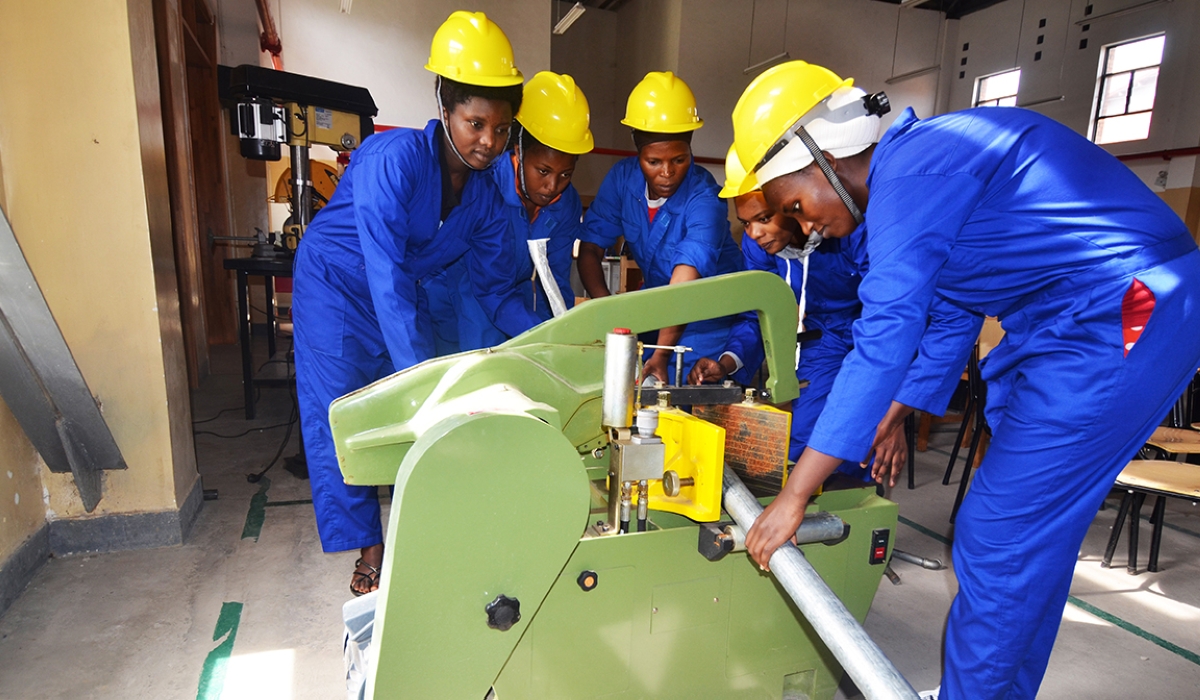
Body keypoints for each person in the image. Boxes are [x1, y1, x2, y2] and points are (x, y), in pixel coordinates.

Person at [733, 60, 1200, 700]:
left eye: (793, 204)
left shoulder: (910, 172)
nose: (801, 225)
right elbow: (951, 311)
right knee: (1027, 540)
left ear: (825, 154)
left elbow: (887, 333)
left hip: (1125, 307)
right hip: (1080, 318)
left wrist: (797, 494)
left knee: (997, 537)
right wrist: (894, 413)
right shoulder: (919, 171)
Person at [291, 11, 538, 597]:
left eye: (501, 131)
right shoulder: (392, 159)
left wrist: (549, 340)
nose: (489, 142)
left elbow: (497, 288)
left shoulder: (482, 196)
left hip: (396, 294)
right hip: (337, 286)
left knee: (415, 412)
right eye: (476, 123)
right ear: (445, 109)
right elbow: (385, 272)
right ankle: (369, 547)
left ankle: (410, 531)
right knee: (340, 416)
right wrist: (423, 379)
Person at [688, 146, 905, 486]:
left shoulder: (848, 230)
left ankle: (852, 508)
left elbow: (893, 319)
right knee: (792, 445)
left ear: (787, 201)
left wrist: (893, 408)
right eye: (745, 223)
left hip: (863, 340)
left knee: (846, 442)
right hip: (814, 347)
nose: (754, 233)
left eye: (763, 219)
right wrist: (726, 363)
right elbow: (755, 316)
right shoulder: (758, 247)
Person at [577, 71, 743, 383]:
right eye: (653, 162)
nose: (667, 172)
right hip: (658, 314)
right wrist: (606, 310)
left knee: (691, 406)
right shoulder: (622, 180)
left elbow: (684, 282)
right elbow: (590, 247)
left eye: (679, 160)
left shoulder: (705, 197)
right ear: (638, 152)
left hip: (707, 325)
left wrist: (663, 354)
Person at [454, 71, 593, 350]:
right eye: (543, 171)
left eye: (566, 174)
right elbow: (490, 288)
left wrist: (557, 334)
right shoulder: (485, 187)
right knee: (478, 375)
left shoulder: (567, 203)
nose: (552, 186)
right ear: (517, 148)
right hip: (463, 296)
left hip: (514, 301)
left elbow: (554, 282)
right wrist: (539, 337)